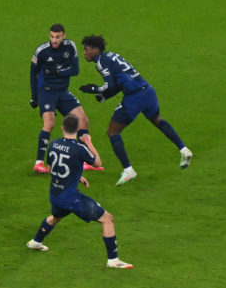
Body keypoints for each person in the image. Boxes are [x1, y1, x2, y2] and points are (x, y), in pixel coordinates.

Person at [79, 35, 193, 186]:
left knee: (112, 131)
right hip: (147, 91)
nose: (84, 53)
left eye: (86, 50)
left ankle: (128, 170)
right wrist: (104, 97)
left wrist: (94, 89)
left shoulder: (101, 61)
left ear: (95, 49)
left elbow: (109, 84)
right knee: (157, 120)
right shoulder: (112, 56)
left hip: (135, 97)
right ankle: (184, 150)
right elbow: (118, 83)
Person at [26, 114, 133, 269]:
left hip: (55, 194)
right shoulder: (79, 148)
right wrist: (89, 142)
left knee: (56, 217)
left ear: (62, 128)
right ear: (77, 129)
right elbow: (97, 163)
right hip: (70, 197)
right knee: (108, 219)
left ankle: (36, 242)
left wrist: (77, 176)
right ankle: (113, 260)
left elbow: (51, 169)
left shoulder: (54, 144)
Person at [29, 24, 101, 173]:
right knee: (49, 123)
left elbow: (75, 71)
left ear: (63, 36)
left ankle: (86, 161)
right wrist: (34, 97)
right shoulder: (41, 51)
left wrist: (59, 71)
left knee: (83, 120)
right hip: (46, 91)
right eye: (52, 36)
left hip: (62, 92)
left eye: (57, 37)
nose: (54, 40)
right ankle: (39, 163)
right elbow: (32, 74)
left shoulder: (70, 47)